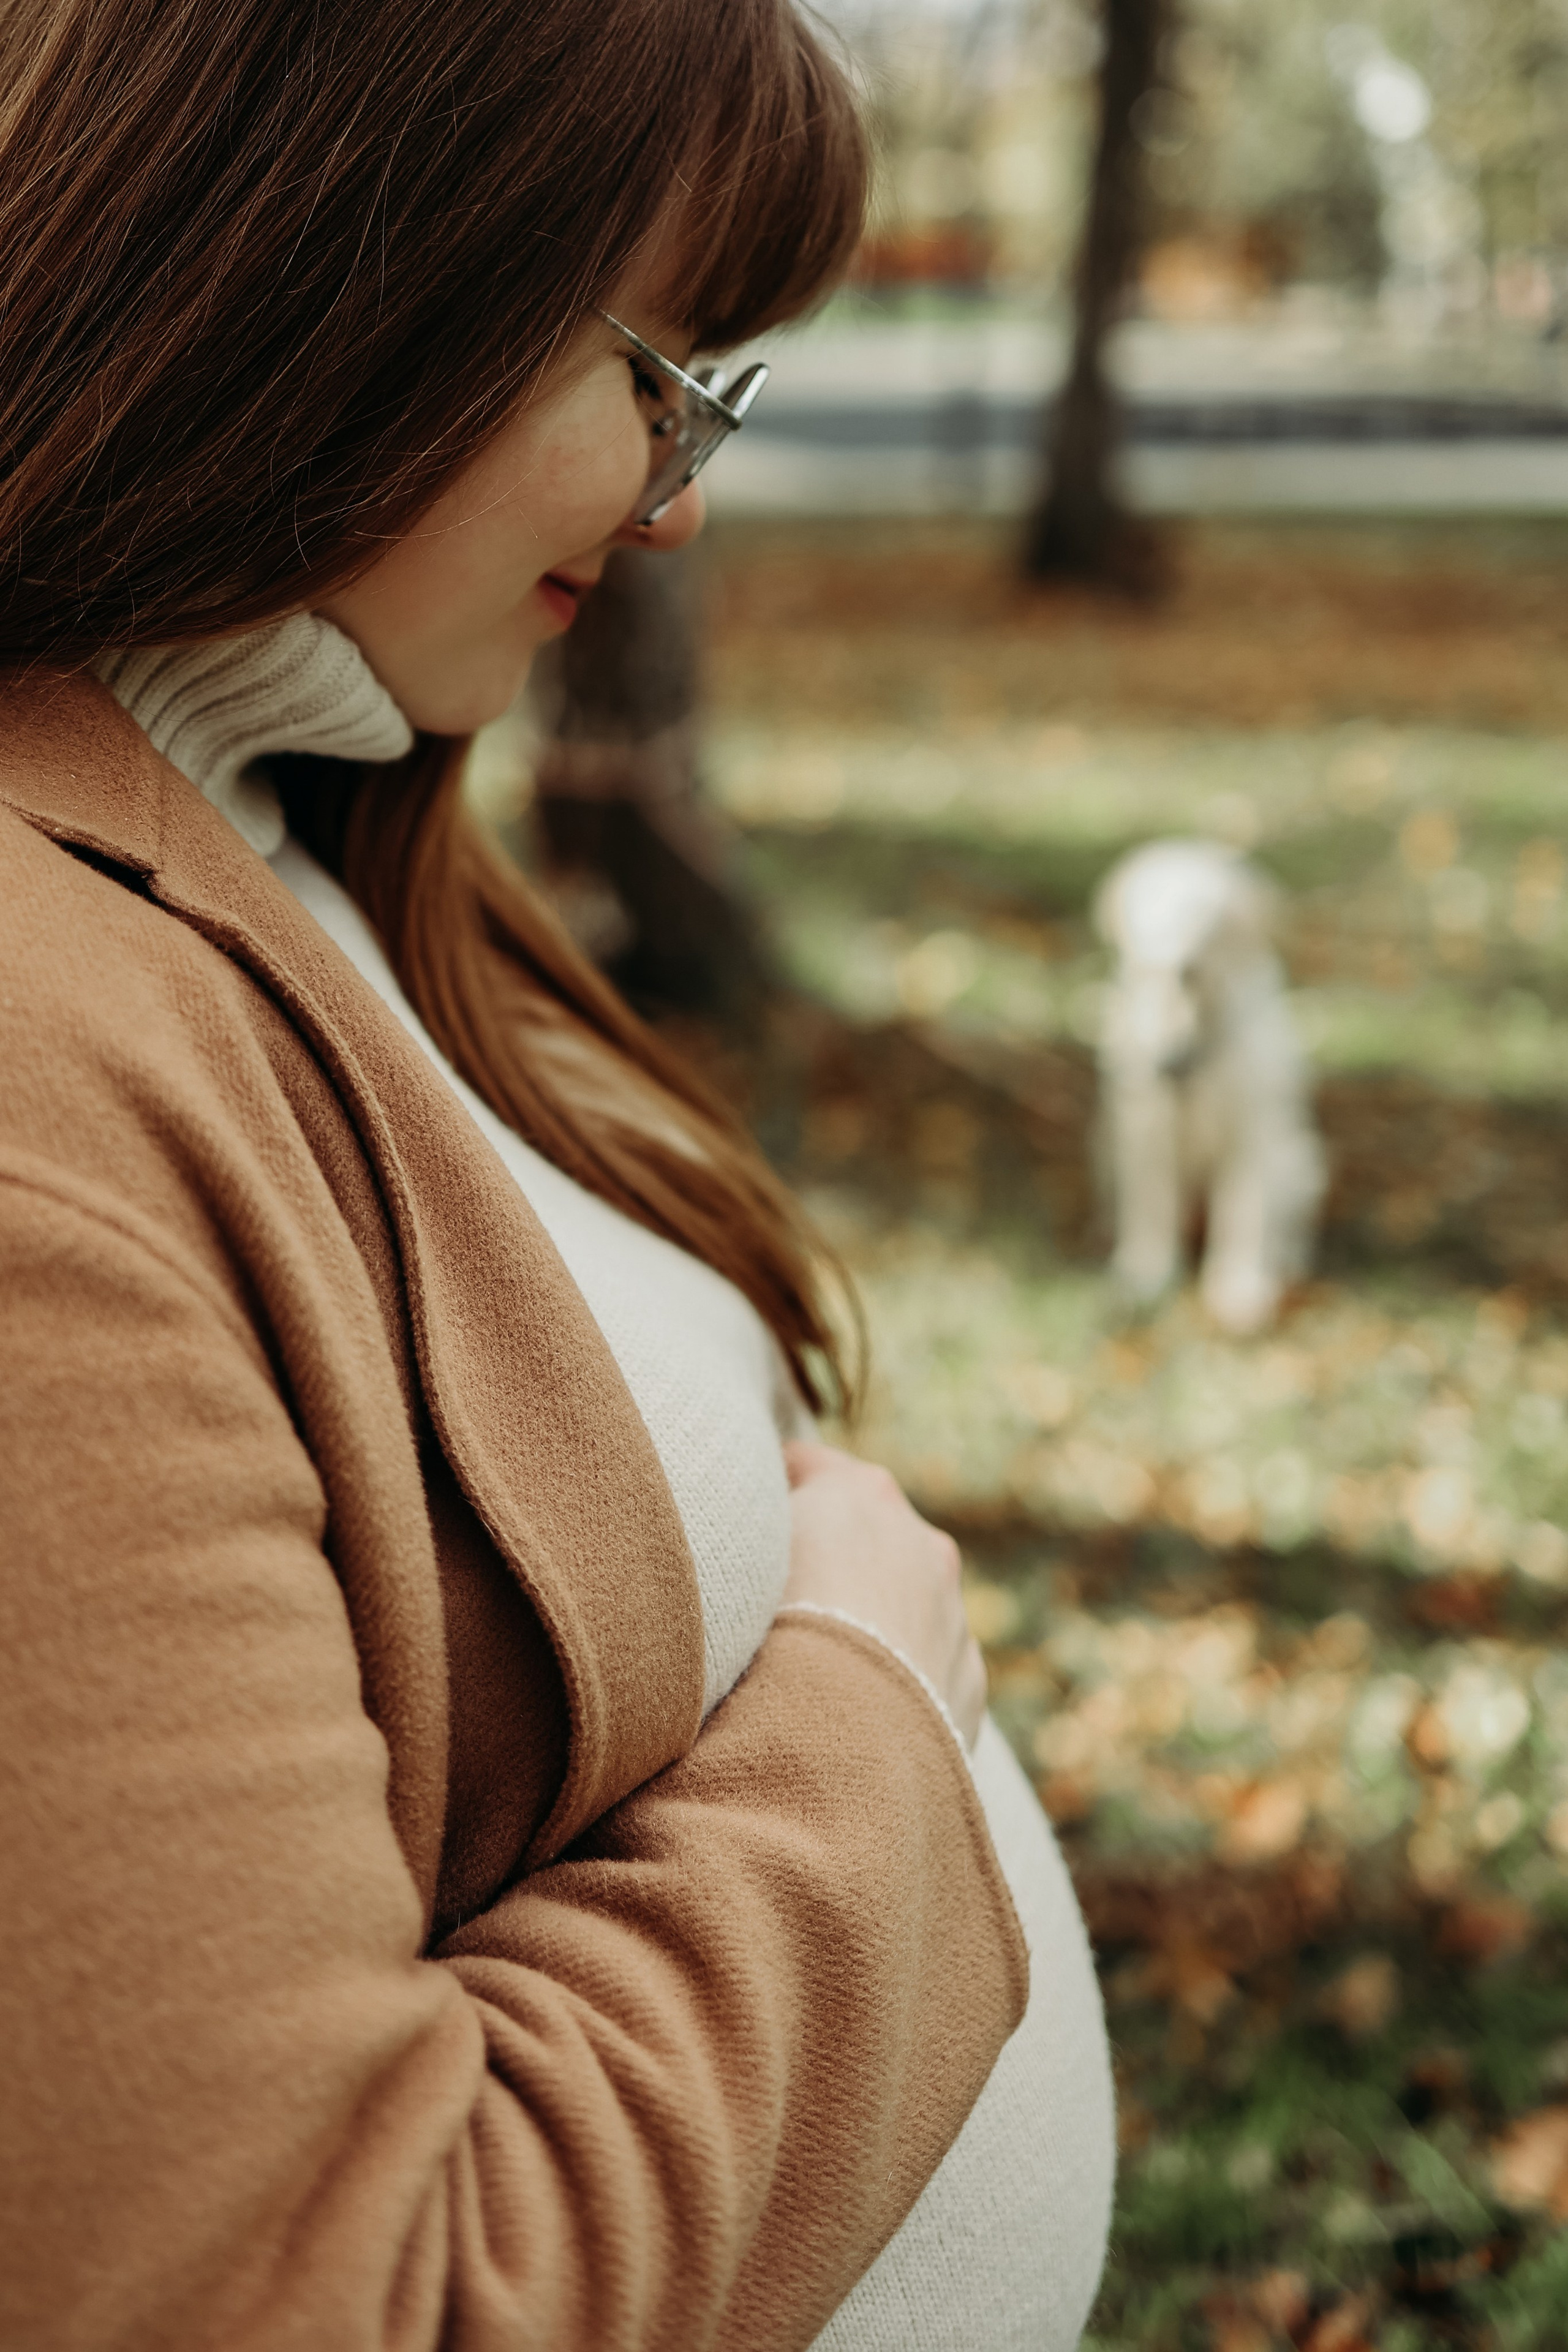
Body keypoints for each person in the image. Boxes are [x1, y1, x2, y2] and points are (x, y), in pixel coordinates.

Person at [0, 1, 1115, 2345]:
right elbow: (302, 2294)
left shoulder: (280, 806)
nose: (680, 490)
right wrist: (868, 1743)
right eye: (662, 366)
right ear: (344, 267)